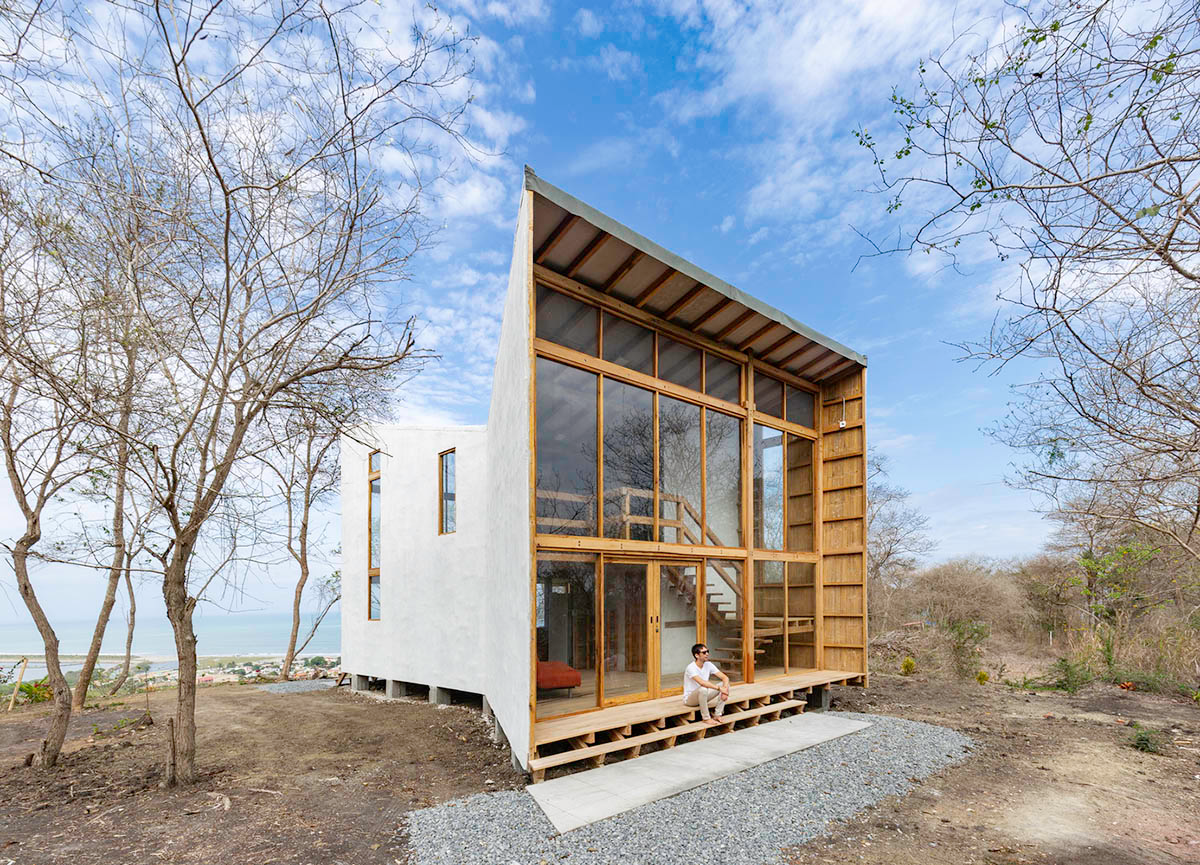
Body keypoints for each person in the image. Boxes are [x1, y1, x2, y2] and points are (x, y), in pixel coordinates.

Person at [683, 643, 730, 725]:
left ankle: (717, 715)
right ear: (697, 655)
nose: (707, 654)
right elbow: (702, 682)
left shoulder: (708, 664)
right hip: (690, 700)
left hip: (704, 696)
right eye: (704, 652)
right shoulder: (691, 667)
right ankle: (706, 718)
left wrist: (724, 690)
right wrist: (720, 689)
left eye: (707, 651)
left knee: (725, 684)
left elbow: (725, 677)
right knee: (703, 689)